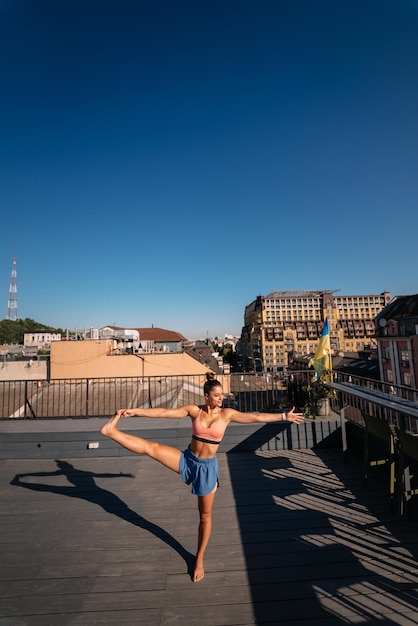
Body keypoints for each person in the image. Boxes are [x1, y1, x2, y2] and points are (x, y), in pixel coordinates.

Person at [100, 374, 304, 583]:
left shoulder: (227, 414)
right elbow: (164, 412)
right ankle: (112, 431)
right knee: (151, 448)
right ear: (206, 396)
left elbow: (256, 417)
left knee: (204, 517)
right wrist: (136, 411)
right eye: (216, 395)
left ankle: (199, 559)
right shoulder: (194, 411)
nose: (220, 399)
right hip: (188, 459)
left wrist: (283, 417)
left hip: (206, 469)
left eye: (221, 395)